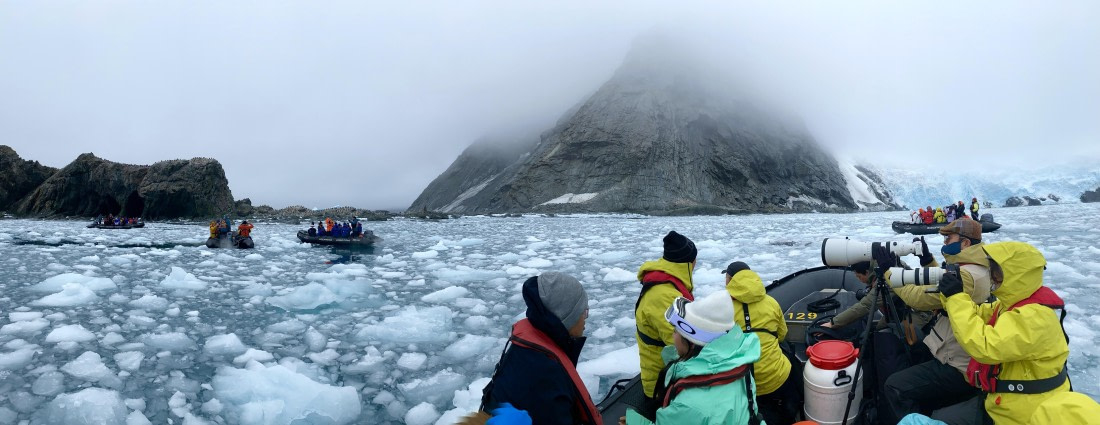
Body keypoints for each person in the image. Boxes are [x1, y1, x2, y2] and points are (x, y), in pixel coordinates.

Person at [938, 241, 1071, 425]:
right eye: (992, 270)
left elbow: (986, 346)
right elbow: (978, 314)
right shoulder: (1009, 305)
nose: (992, 277)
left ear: (1017, 274)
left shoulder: (1034, 317)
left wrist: (956, 299)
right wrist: (953, 295)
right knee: (942, 415)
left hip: (1024, 414)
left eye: (998, 271)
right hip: (1004, 402)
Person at [884, 219, 992, 424]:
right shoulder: (975, 267)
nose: (944, 242)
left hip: (958, 365)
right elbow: (941, 285)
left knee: (894, 387)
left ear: (966, 243)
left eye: (948, 238)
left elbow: (917, 298)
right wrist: (927, 261)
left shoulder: (968, 276)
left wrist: (889, 271)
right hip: (954, 351)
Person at [623, 291, 762, 425]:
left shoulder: (688, 405)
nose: (673, 336)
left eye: (675, 331)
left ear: (691, 341)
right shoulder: (739, 365)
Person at [481, 272, 599, 425]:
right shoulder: (544, 375)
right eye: (583, 312)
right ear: (567, 317)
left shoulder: (529, 353)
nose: (585, 319)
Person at [723, 262, 800, 425]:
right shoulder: (771, 302)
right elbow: (782, 335)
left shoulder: (725, 309)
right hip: (776, 376)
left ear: (730, 280)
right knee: (788, 359)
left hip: (744, 382)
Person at [635, 231, 697, 402]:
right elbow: (682, 346)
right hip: (663, 385)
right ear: (689, 262)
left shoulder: (667, 286)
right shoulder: (664, 296)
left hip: (669, 376)